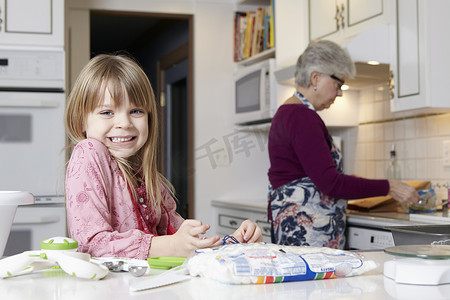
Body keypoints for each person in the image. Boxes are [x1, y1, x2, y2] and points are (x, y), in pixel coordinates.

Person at [65, 54, 262, 259]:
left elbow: (181, 243)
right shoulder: (89, 153)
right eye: (107, 112)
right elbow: (91, 245)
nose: (124, 123)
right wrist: (172, 246)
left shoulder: (151, 179)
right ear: (80, 121)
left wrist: (234, 242)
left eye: (136, 111)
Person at [267, 40, 419, 249]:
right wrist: (389, 186)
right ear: (316, 78)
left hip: (296, 231)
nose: (340, 93)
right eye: (338, 84)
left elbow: (311, 175)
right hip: (310, 236)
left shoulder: (287, 113)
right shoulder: (302, 117)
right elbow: (330, 183)